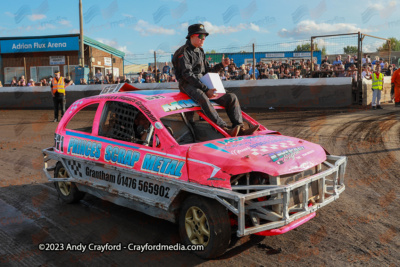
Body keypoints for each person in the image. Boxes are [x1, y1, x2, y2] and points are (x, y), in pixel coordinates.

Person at [172, 23, 259, 137]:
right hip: (187, 83)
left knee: (231, 97)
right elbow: (187, 75)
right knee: (203, 97)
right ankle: (223, 128)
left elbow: (208, 70)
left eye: (205, 36)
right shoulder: (183, 52)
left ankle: (239, 127)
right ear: (191, 36)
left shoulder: (200, 51)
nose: (203, 39)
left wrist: (221, 65)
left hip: (202, 82)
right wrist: (206, 89)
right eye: (200, 36)